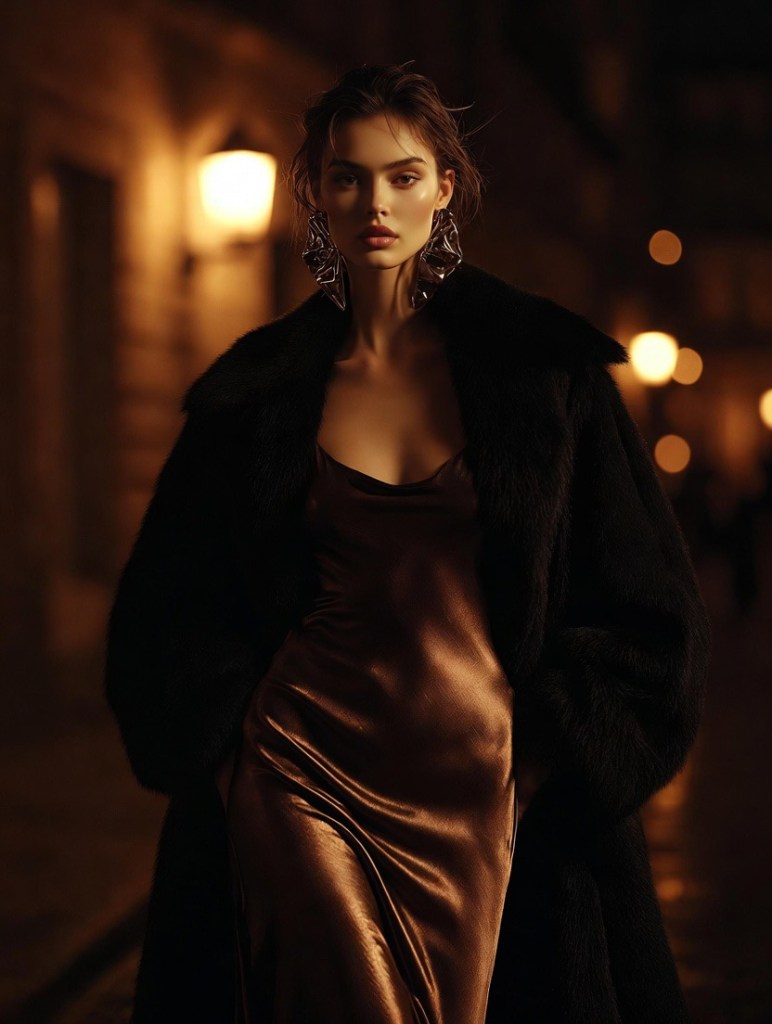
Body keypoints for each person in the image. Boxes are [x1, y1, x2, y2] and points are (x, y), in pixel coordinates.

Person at [105, 63, 712, 1024]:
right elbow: (165, 609)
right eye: (347, 177)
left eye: (401, 175)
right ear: (315, 193)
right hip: (298, 771)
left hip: (489, 781)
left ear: (445, 188)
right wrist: (227, 754)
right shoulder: (252, 397)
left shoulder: (547, 378)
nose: (374, 202)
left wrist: (550, 755)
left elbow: (651, 610)